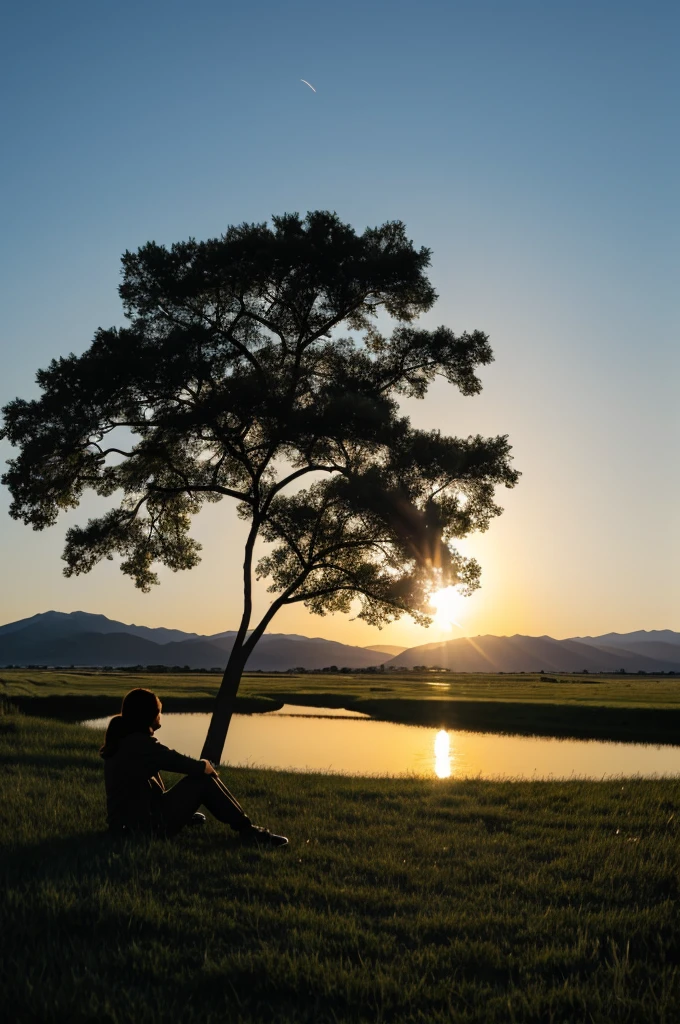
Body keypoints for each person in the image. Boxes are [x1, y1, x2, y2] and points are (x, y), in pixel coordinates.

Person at [100, 687, 287, 847]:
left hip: (125, 826)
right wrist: (204, 765)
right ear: (149, 716)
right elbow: (181, 762)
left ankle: (185, 818)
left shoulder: (128, 740)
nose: (160, 716)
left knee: (199, 777)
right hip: (140, 830)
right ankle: (248, 831)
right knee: (203, 780)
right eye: (159, 711)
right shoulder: (141, 746)